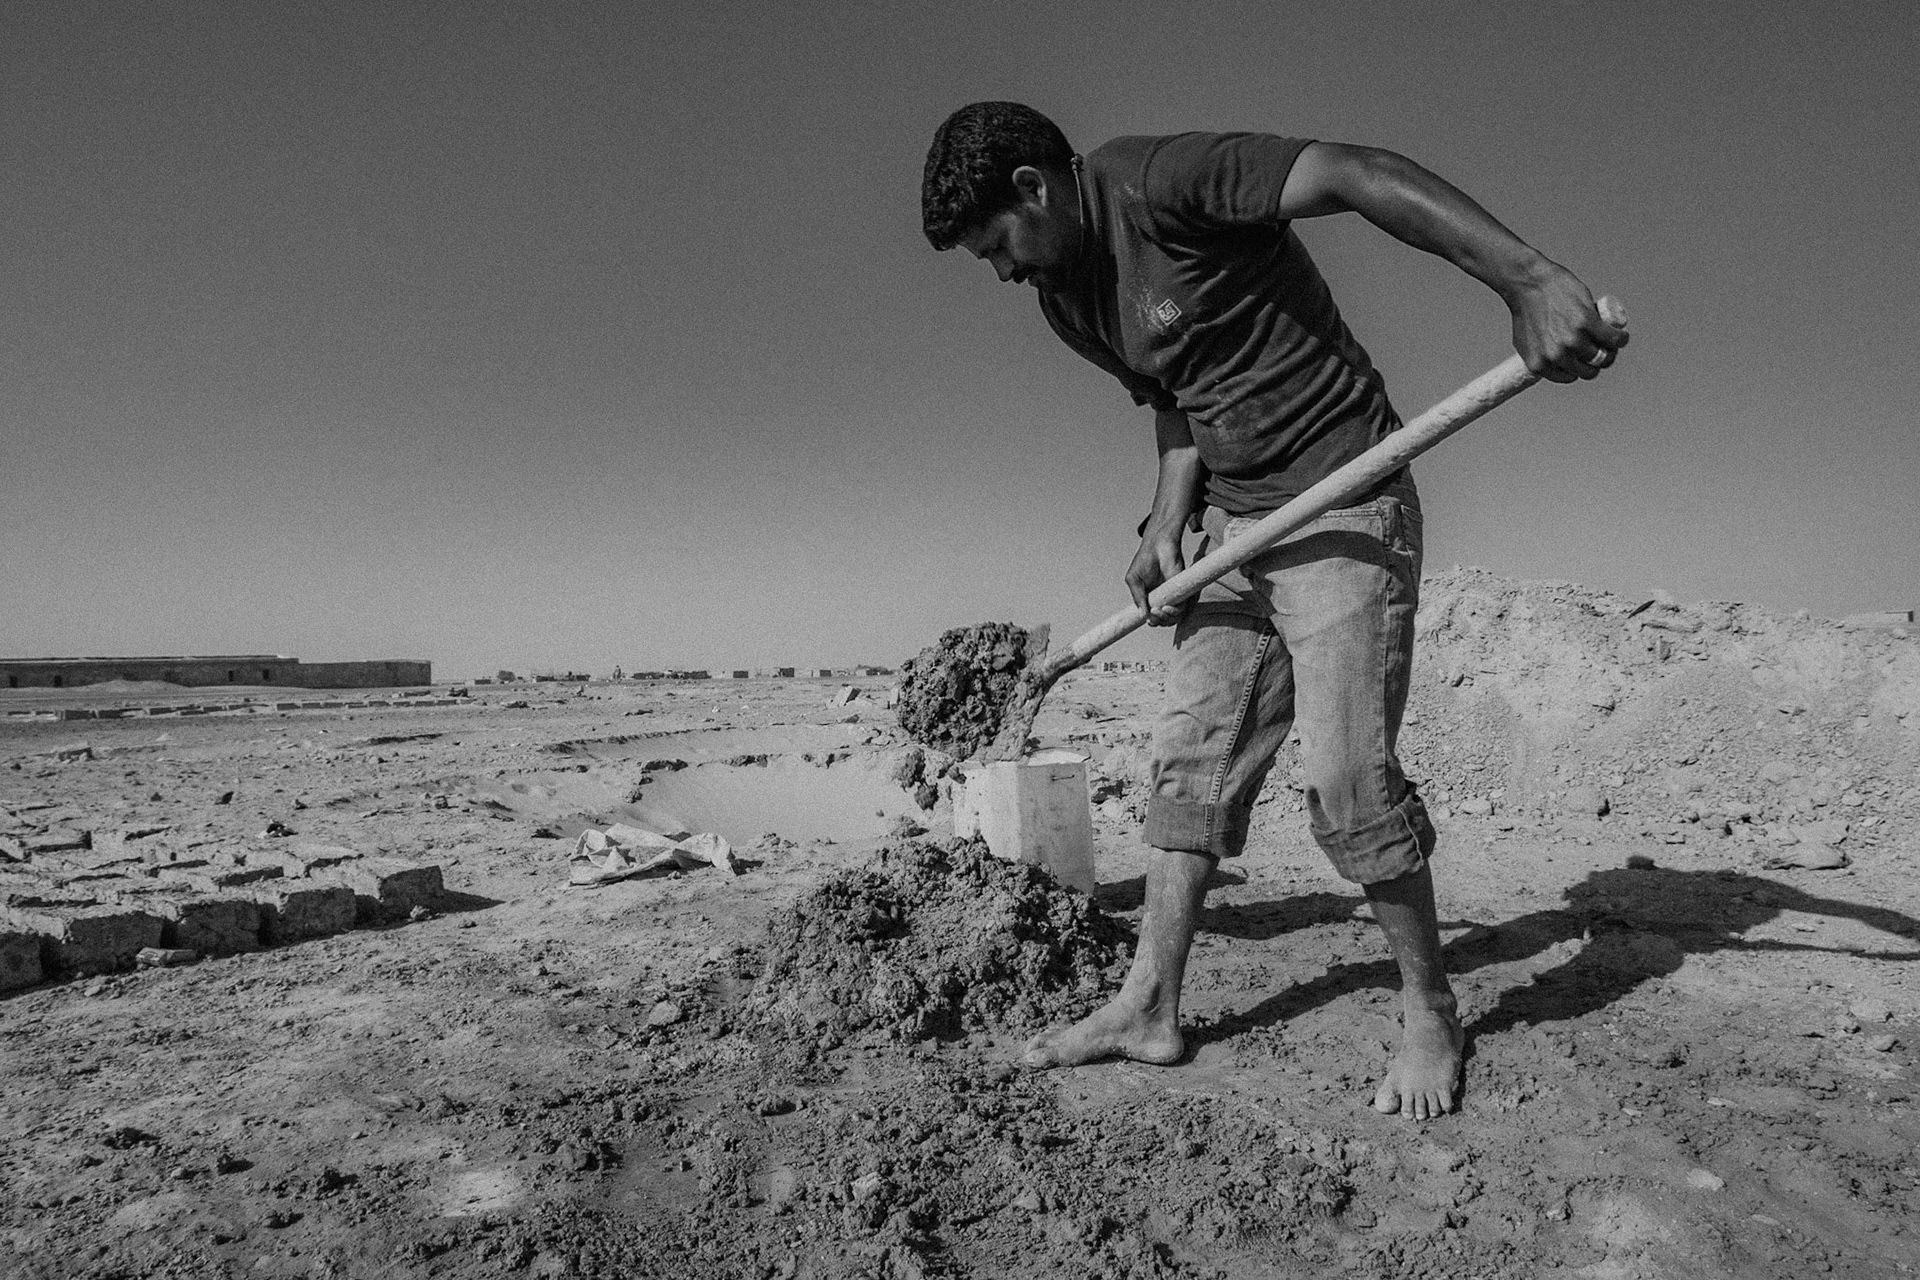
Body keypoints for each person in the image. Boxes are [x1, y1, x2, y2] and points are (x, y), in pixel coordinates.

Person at [921, 102, 1626, 1120]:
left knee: (1348, 777)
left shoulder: (1160, 181)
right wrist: (1167, 521)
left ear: (1034, 188)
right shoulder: (1066, 299)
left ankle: (1430, 1009)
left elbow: (1356, 169)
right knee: (1189, 759)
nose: (1001, 271)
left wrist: (1527, 278)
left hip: (1345, 497)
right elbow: (1176, 395)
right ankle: (1149, 1005)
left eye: (998, 245)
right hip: (1238, 533)